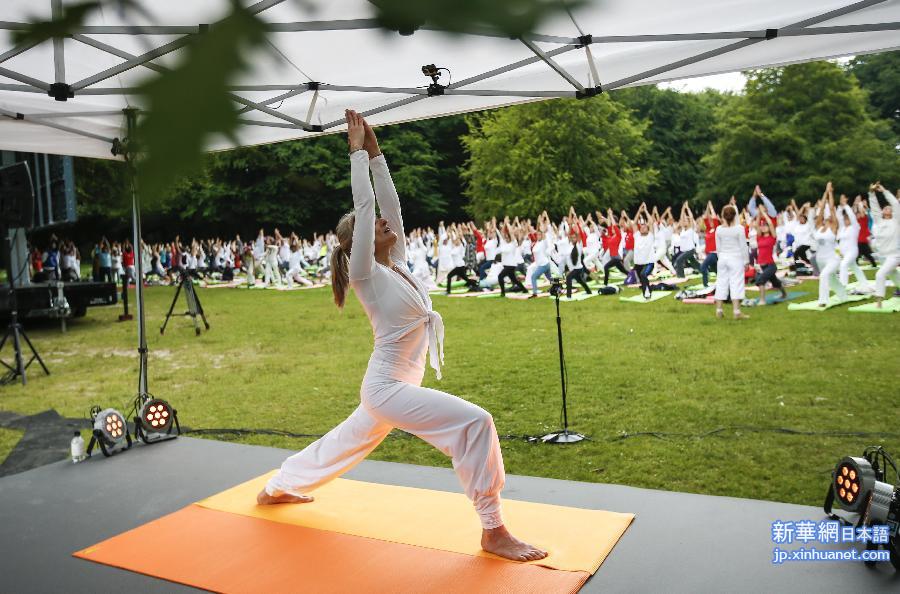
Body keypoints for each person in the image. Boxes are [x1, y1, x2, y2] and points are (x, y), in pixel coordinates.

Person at [259, 111, 547, 563]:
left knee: (346, 441)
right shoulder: (365, 273)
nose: (385, 226)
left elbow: (388, 207)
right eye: (374, 227)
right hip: (387, 388)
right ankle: (494, 529)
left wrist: (376, 153)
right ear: (359, 243)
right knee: (476, 423)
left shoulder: (397, 262)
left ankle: (280, 485)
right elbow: (369, 207)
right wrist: (355, 155)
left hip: (395, 386)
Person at [813, 183, 846, 307]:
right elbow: (821, 209)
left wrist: (830, 193)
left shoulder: (833, 226)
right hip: (820, 259)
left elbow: (831, 208)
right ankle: (843, 295)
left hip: (832, 258)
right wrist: (825, 193)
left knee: (824, 275)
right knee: (831, 280)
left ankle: (823, 300)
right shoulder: (818, 226)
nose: (825, 215)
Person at [714, 205, 750, 319]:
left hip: (723, 258)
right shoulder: (739, 229)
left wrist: (721, 258)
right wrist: (746, 261)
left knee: (721, 282)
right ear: (735, 216)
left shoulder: (719, 229)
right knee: (736, 283)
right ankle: (736, 311)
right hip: (735, 258)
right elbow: (743, 246)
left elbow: (718, 247)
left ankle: (719, 310)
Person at [867, 183, 900, 308]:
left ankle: (879, 301)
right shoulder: (878, 221)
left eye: (889, 208)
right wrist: (871, 192)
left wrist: (884, 191)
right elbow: (874, 207)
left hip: (894, 255)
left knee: (880, 274)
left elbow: (896, 204)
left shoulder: (896, 221)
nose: (887, 209)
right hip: (882, 256)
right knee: (895, 277)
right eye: (885, 208)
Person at [753, 211, 787, 305]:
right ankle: (784, 294)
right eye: (762, 226)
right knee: (775, 281)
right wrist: (759, 215)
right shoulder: (759, 237)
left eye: (765, 225)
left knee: (760, 280)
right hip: (762, 265)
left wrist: (764, 214)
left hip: (771, 265)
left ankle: (762, 300)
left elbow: (771, 224)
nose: (763, 227)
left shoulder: (772, 237)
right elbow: (757, 224)